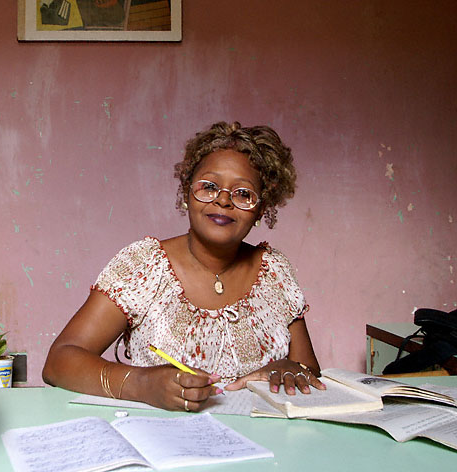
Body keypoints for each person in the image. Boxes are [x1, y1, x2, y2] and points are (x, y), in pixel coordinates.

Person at [42, 122, 325, 411]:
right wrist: (142, 384)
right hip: (164, 442)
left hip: (267, 445)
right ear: (187, 194)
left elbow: (308, 371)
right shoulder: (144, 266)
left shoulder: (274, 271)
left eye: (242, 193)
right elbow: (59, 362)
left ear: (261, 210)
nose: (224, 200)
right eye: (209, 187)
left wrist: (287, 368)